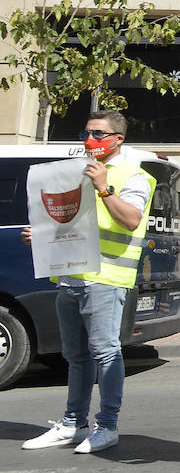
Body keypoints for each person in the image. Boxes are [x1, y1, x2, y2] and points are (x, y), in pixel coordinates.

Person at [20, 110, 153, 456]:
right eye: (87, 132)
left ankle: (107, 425)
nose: (89, 140)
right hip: (71, 277)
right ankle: (72, 423)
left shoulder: (133, 175)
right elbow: (73, 222)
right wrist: (45, 234)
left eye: (98, 133)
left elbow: (130, 219)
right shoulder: (75, 173)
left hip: (107, 279)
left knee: (106, 353)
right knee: (76, 356)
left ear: (117, 139)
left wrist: (104, 186)